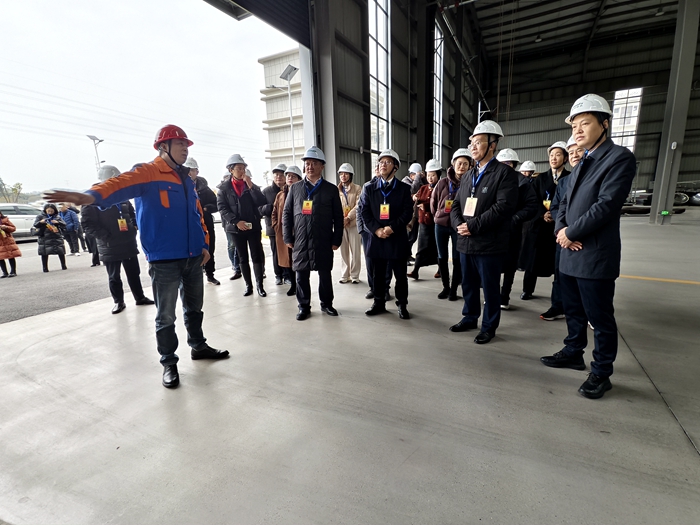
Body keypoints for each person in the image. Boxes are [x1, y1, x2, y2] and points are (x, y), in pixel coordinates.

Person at [44, 124, 229, 389]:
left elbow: (196, 214)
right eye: (179, 144)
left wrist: (204, 244)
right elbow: (118, 185)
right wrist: (88, 196)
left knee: (194, 308)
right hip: (164, 259)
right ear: (163, 146)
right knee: (166, 316)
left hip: (192, 256)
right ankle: (169, 362)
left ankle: (198, 346)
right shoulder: (148, 172)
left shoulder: (186, 179)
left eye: (186, 144)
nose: (185, 148)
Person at [541, 94, 636, 399]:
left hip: (594, 253)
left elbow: (606, 205)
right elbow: (564, 202)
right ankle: (573, 351)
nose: (578, 130)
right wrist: (561, 230)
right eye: (574, 126)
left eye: (585, 123)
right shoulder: (582, 160)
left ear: (604, 124)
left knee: (600, 316)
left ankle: (601, 372)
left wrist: (571, 232)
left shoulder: (619, 158)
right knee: (573, 310)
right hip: (569, 250)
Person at [448, 120, 518, 344]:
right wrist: (458, 224)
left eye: (478, 142)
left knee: (489, 287)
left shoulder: (504, 174)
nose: (473, 147)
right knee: (468, 284)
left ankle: (489, 326)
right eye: (472, 143)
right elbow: (456, 204)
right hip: (465, 241)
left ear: (493, 145)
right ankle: (470, 317)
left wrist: (473, 226)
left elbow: (503, 207)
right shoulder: (468, 174)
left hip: (489, 243)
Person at [81, 164, 155, 314]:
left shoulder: (122, 196)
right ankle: (118, 302)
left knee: (134, 273)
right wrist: (105, 236)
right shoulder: (92, 198)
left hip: (127, 242)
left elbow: (132, 213)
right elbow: (87, 224)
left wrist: (134, 226)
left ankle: (139, 297)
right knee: (114, 276)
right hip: (109, 244)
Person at [282, 146, 344, 320]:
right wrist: (287, 236)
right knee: (301, 275)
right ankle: (303, 306)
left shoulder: (331, 189)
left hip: (323, 239)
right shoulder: (295, 189)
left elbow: (338, 217)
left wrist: (336, 239)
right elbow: (286, 213)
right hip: (300, 239)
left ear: (322, 166)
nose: (310, 167)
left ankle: (327, 304)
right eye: (307, 163)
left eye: (314, 163)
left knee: (325, 274)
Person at [359, 149, 414, 319]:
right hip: (377, 238)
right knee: (378, 274)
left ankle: (402, 304)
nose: (383, 165)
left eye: (388, 162)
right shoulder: (369, 188)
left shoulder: (404, 189)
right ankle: (378, 302)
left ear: (395, 167)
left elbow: (407, 212)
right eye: (381, 162)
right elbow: (364, 211)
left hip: (396, 238)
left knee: (400, 275)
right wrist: (376, 229)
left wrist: (391, 228)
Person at [520, 141, 570, 301]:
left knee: (558, 262)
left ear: (565, 158)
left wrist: (556, 215)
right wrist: (543, 214)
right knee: (533, 259)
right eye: (551, 155)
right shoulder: (540, 179)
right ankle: (527, 289)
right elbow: (532, 200)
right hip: (539, 225)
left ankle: (558, 296)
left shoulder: (570, 178)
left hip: (560, 225)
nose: (554, 158)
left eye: (558, 155)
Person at [539, 136, 583, 320]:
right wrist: (562, 231)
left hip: (583, 237)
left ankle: (588, 313)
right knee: (560, 274)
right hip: (563, 237)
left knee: (584, 278)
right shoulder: (565, 182)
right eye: (571, 152)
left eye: (578, 151)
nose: (575, 155)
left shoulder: (596, 178)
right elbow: (557, 206)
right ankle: (558, 306)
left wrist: (573, 232)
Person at [217, 154, 268, 297]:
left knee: (256, 256)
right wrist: (236, 222)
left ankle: (260, 285)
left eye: (243, 168)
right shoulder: (223, 189)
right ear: (231, 170)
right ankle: (248, 286)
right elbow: (222, 208)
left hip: (253, 227)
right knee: (242, 257)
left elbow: (261, 202)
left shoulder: (251, 186)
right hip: (236, 229)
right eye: (238, 168)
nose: (242, 171)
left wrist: (251, 186)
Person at [496, 150, 539, 310]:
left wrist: (514, 219)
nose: (505, 166)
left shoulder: (523, 183)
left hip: (513, 231)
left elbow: (532, 206)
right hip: (493, 229)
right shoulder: (493, 179)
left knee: (510, 265)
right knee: (492, 264)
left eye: (508, 163)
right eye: (502, 163)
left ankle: (504, 297)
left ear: (514, 165)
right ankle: (493, 296)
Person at [431, 148, 472, 301]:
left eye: (465, 164)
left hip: (459, 226)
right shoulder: (442, 183)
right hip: (441, 225)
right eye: (459, 163)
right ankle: (445, 287)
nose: (462, 166)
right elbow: (433, 203)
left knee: (457, 258)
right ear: (453, 164)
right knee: (442, 256)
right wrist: (438, 216)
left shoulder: (471, 183)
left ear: (470, 166)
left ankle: (454, 289)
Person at [357, 165, 393, 301]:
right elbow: (360, 209)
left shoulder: (391, 187)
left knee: (387, 261)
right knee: (370, 261)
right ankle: (373, 288)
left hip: (386, 231)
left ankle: (385, 289)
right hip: (369, 232)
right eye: (377, 167)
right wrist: (361, 229)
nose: (380, 169)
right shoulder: (368, 187)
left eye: (382, 166)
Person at [185, 158, 220, 285]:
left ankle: (210, 275)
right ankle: (194, 278)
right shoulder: (181, 186)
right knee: (192, 252)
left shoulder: (204, 189)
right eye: (188, 170)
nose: (190, 173)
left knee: (209, 248)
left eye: (192, 170)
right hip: (189, 225)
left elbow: (217, 204)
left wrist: (205, 208)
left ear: (197, 172)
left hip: (206, 223)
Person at [407, 159, 441, 279]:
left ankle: (440, 270)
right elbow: (416, 196)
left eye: (433, 175)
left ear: (438, 175)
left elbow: (440, 203)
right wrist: (414, 197)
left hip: (436, 223)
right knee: (421, 247)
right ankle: (416, 270)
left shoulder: (441, 187)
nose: (430, 178)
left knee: (437, 247)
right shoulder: (423, 188)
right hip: (423, 222)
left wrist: (426, 206)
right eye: (428, 175)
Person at [271, 165, 303, 296]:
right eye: (288, 176)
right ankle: (293, 284)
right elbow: (274, 212)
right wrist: (276, 226)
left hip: (299, 232)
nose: (290, 178)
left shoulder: (303, 193)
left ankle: (300, 285)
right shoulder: (280, 195)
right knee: (287, 260)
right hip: (284, 232)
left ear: (299, 179)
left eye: (293, 176)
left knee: (298, 260)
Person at [260, 163, 287, 285]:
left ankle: (287, 275)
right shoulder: (266, 192)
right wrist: (271, 208)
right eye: (276, 175)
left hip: (288, 228)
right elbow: (259, 209)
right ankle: (278, 275)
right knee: (276, 252)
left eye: (281, 175)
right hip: (273, 228)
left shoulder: (290, 190)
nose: (279, 177)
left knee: (287, 252)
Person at [337, 162, 362, 284]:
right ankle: (344, 275)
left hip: (353, 224)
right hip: (341, 224)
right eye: (341, 174)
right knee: (343, 251)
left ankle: (355, 275)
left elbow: (359, 205)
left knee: (355, 251)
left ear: (350, 175)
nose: (343, 176)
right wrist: (340, 219)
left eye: (346, 174)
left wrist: (348, 217)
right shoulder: (336, 190)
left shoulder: (357, 189)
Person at [218, 171, 242, 281]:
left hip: (243, 223)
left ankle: (239, 267)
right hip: (229, 224)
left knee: (239, 247)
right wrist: (234, 220)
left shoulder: (242, 186)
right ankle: (235, 267)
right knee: (232, 245)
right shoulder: (222, 190)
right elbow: (222, 208)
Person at [34, 203, 67, 272]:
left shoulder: (57, 216)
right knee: (44, 252)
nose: (50, 212)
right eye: (48, 211)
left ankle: (63, 265)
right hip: (44, 236)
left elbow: (64, 224)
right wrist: (41, 222)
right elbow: (35, 225)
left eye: (52, 211)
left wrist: (57, 222)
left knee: (60, 251)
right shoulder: (40, 216)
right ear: (45, 210)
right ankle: (45, 268)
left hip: (56, 236)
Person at [0, 211, 21, 277]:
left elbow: (13, 228)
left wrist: (6, 227)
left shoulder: (5, 220)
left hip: (7, 240)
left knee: (11, 255)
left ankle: (13, 271)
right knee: (1, 257)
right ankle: (4, 272)